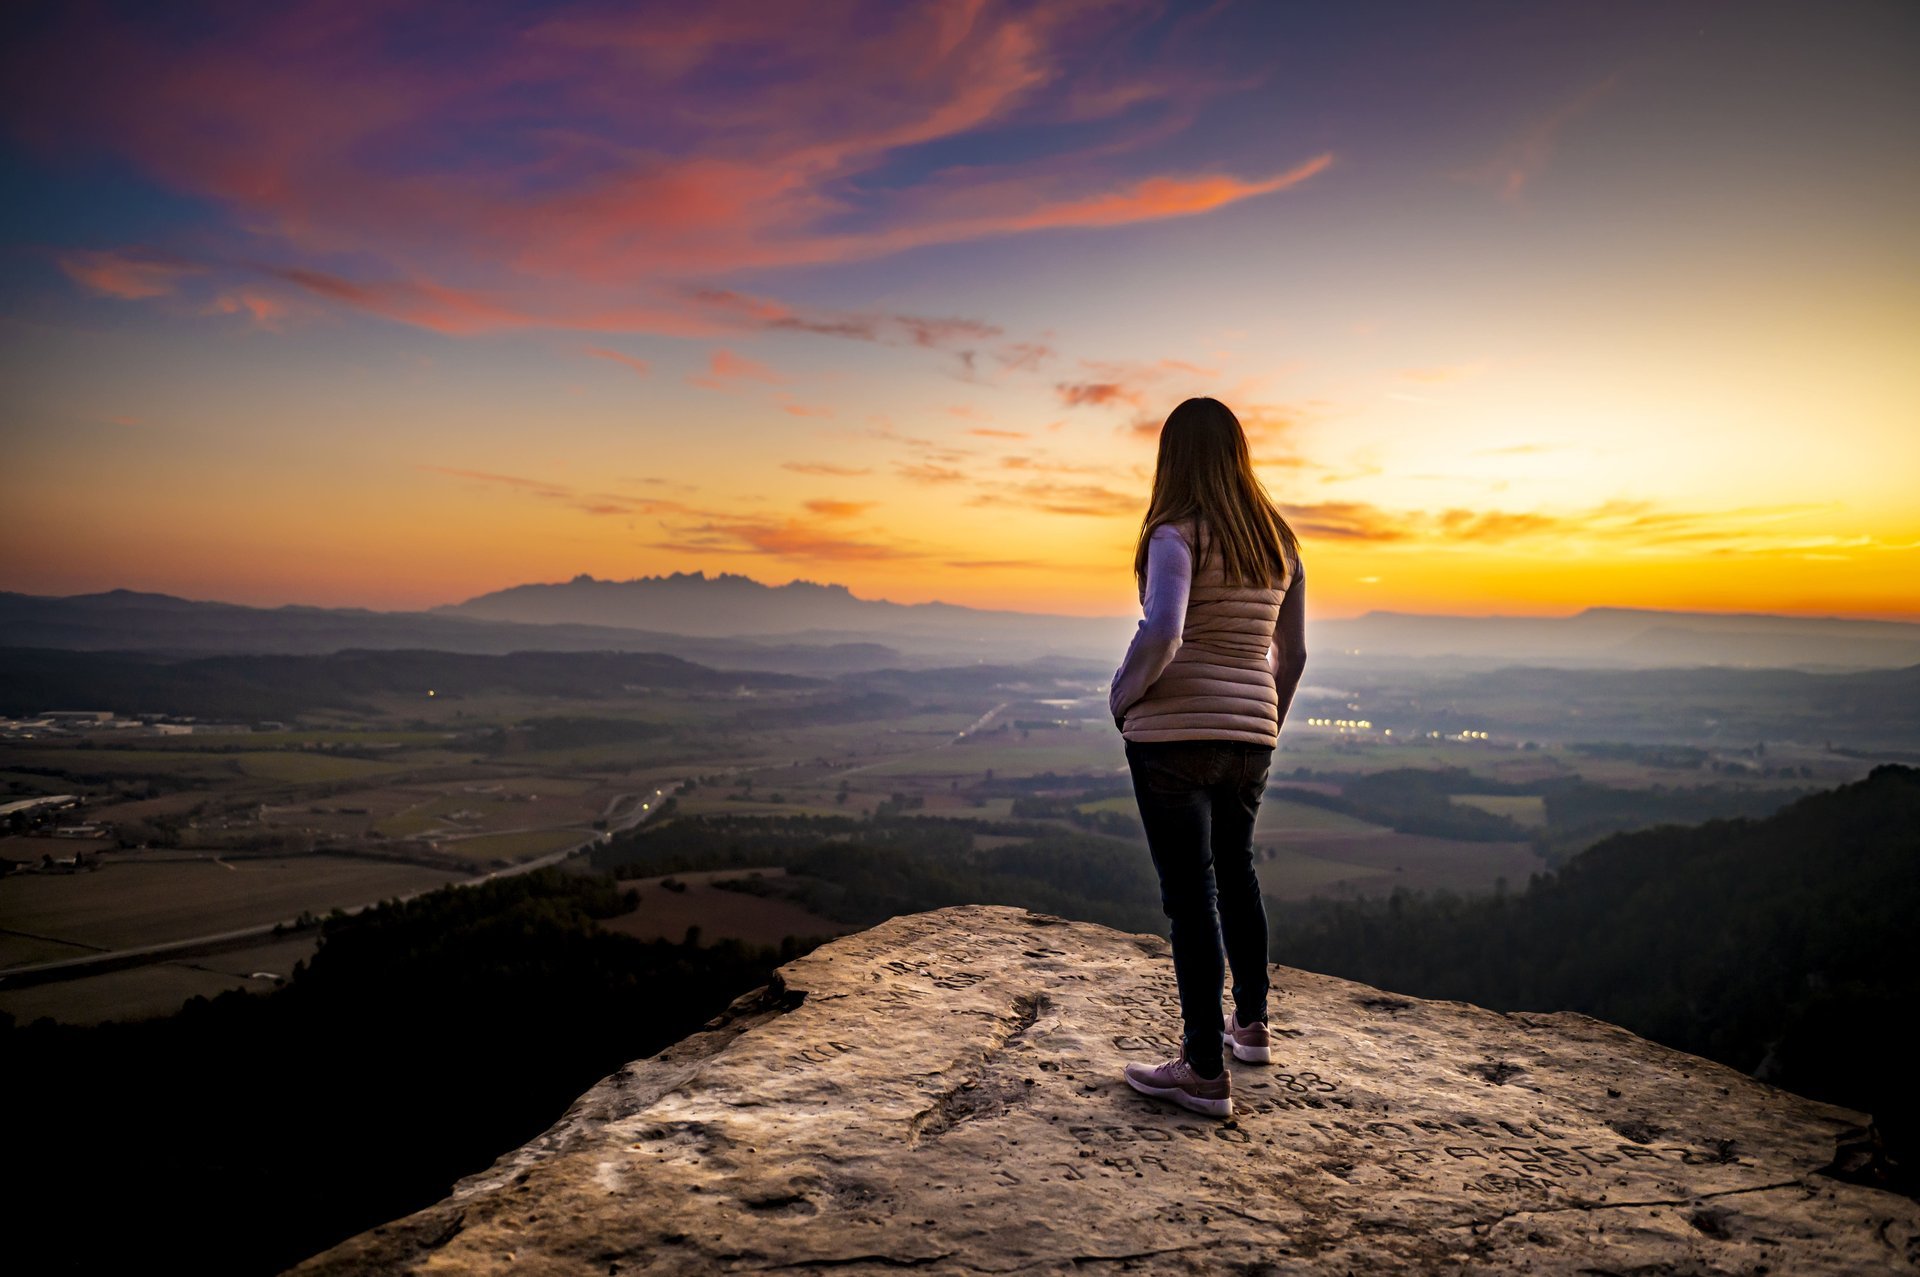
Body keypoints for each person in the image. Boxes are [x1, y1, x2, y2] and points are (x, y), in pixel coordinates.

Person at [1108, 396, 1307, 1119]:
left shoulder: (1174, 531)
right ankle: (1249, 1026)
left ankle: (1200, 1067)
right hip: (1251, 732)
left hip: (1174, 737)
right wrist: (1264, 721)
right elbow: (1296, 653)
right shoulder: (1278, 541)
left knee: (1191, 897)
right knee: (1238, 871)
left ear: (1174, 458)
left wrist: (1124, 697)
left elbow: (1163, 631)